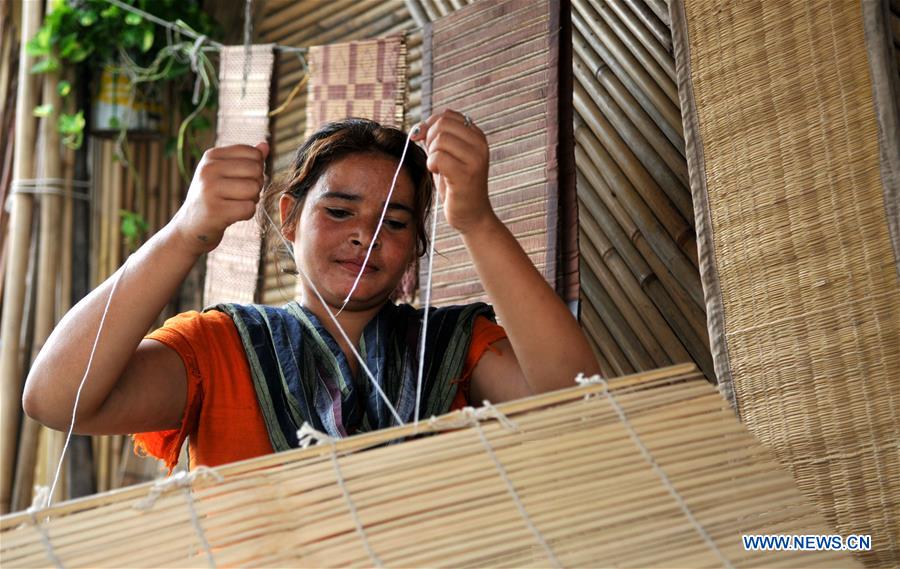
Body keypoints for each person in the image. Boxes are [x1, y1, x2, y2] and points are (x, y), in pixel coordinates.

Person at [24, 111, 600, 472]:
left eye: (395, 222)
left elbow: (579, 402)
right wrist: (183, 234)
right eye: (340, 210)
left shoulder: (452, 347)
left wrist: (476, 219)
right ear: (290, 217)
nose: (365, 235)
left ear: (417, 244)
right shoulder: (220, 348)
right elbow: (55, 399)